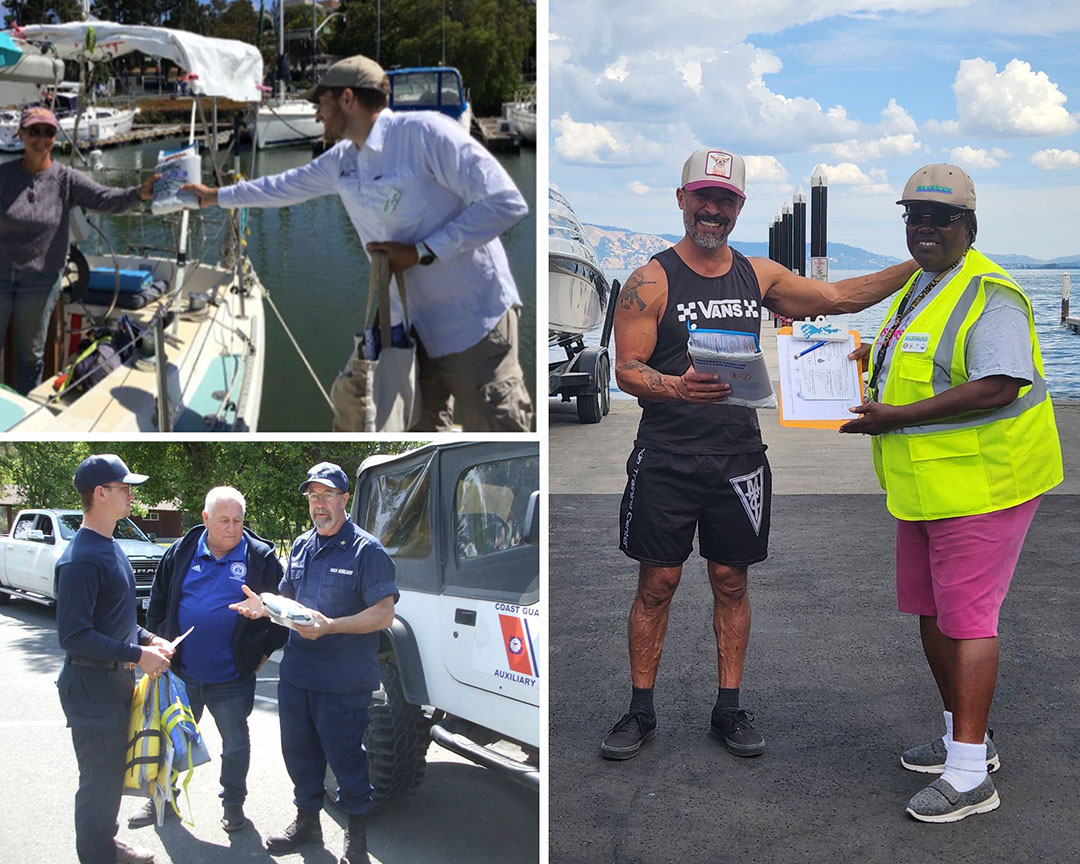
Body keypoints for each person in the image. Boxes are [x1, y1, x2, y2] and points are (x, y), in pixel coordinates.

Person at [601, 147, 921, 762]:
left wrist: (921, 263)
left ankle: (729, 707)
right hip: (666, 454)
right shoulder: (651, 278)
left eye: (725, 200)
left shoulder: (760, 275)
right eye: (703, 197)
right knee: (656, 584)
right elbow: (627, 370)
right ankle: (640, 710)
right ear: (682, 199)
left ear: (739, 207)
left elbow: (838, 299)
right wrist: (677, 387)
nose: (712, 209)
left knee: (730, 579)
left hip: (737, 455)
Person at [837, 163, 1062, 822]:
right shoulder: (924, 286)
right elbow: (920, 368)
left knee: (967, 621)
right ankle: (966, 740)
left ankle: (970, 778)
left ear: (969, 225)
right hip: (926, 484)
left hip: (985, 484)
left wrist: (894, 418)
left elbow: (999, 384)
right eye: (915, 216)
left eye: (941, 218)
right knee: (931, 612)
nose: (925, 228)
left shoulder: (991, 292)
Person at [183, 55, 532, 432]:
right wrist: (213, 196)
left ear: (347, 98)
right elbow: (280, 187)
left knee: (499, 433)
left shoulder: (426, 134)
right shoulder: (342, 161)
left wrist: (421, 252)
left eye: (321, 102)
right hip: (411, 334)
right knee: (418, 436)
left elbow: (506, 203)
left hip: (474, 325)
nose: (317, 114)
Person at [231, 461, 398, 864]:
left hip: (342, 682)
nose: (318, 504)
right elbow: (288, 603)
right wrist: (265, 608)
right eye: (312, 496)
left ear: (345, 499)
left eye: (326, 495)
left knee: (347, 760)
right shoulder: (304, 545)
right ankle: (308, 822)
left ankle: (356, 839)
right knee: (300, 754)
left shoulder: (367, 551)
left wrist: (332, 626)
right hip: (298, 677)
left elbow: (383, 614)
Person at [129, 486, 288, 832]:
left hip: (232, 678)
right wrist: (157, 644)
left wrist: (263, 651)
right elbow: (158, 601)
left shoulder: (260, 558)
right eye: (224, 521)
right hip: (182, 673)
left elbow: (282, 611)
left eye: (238, 521)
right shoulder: (182, 550)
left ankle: (233, 804)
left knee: (234, 744)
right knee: (171, 739)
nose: (233, 528)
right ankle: (161, 797)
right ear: (205, 519)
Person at [56, 454, 174, 864]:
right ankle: (96, 854)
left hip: (112, 682)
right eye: (123, 488)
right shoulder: (81, 558)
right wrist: (138, 654)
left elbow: (115, 620)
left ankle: (105, 844)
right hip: (91, 687)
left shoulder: (109, 546)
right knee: (98, 781)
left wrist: (150, 638)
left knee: (109, 778)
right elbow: (73, 636)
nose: (130, 495)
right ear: (100, 494)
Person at [0, 106, 157, 394]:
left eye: (48, 131)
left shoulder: (66, 179)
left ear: (55, 137)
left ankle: (21, 424)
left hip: (40, 281)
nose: (41, 138)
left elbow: (106, 198)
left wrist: (139, 193)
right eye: (33, 131)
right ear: (20, 134)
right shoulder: (3, 175)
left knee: (29, 356)